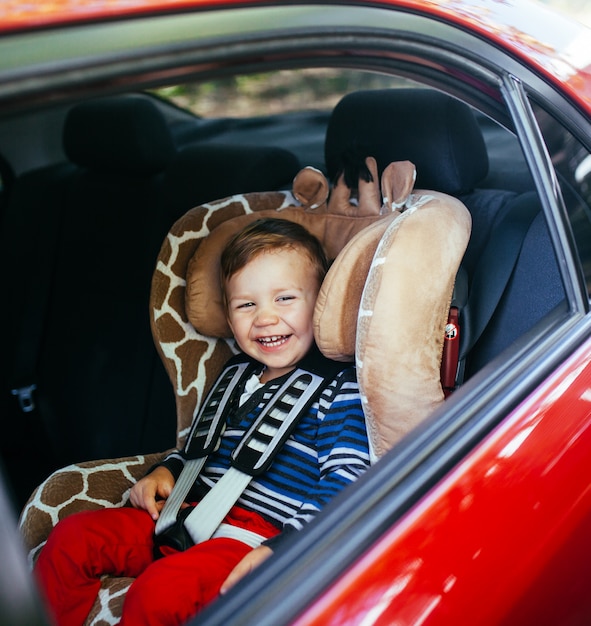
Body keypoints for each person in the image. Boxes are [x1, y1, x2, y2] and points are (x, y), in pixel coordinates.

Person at [34, 218, 370, 626]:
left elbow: (349, 482)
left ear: (320, 306)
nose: (264, 318)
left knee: (160, 592)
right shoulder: (234, 375)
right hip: (186, 512)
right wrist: (164, 471)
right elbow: (199, 451)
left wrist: (287, 548)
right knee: (71, 539)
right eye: (246, 305)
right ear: (229, 319)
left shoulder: (339, 387)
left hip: (252, 537)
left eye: (284, 299)